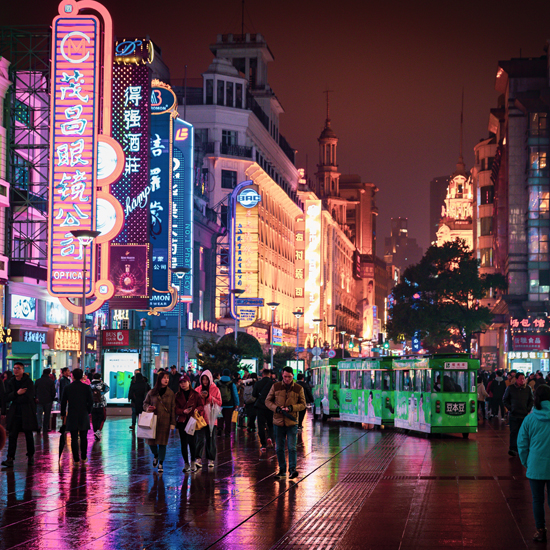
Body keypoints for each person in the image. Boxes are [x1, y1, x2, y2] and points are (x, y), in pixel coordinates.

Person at [518, 384, 550, 543]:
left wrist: (527, 462)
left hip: (535, 465)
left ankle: (541, 530)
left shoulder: (529, 419)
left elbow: (522, 445)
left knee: (537, 500)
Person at [265, 366, 306, 480]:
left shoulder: (298, 388)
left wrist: (291, 408)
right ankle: (282, 470)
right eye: (285, 376)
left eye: (289, 376)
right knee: (279, 448)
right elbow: (267, 401)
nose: (287, 379)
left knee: (292, 447)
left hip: (291, 422)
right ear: (282, 376)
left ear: (293, 376)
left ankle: (292, 470)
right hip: (278, 422)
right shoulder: (276, 386)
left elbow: (303, 404)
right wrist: (276, 408)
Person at [1, 363, 38, 467]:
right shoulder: (11, 381)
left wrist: (15, 398)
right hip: (15, 412)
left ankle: (30, 456)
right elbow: (6, 397)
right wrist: (17, 393)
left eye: (18, 368)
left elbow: (29, 397)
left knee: (28, 435)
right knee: (12, 436)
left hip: (26, 412)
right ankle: (10, 458)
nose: (15, 370)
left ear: (23, 370)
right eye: (14, 368)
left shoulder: (28, 382)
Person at [143, 371, 176, 473]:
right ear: (159, 379)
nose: (166, 380)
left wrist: (173, 423)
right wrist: (148, 408)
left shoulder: (170, 393)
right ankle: (156, 455)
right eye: (164, 378)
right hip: (153, 420)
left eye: (167, 378)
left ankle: (161, 463)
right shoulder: (152, 392)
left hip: (165, 421)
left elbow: (173, 409)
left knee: (163, 443)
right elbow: (145, 403)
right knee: (151, 442)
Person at [60, 368, 94, 465]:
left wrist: (63, 414)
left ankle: (76, 460)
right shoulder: (86, 387)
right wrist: (88, 411)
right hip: (83, 414)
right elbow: (90, 402)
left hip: (72, 413)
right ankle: (83, 457)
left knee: (73, 438)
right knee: (84, 437)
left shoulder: (68, 388)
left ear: (72, 376)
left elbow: (63, 402)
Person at [175, 374, 204, 473]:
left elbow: (201, 406)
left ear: (189, 382)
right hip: (182, 421)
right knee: (183, 443)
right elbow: (175, 409)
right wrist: (182, 411)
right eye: (181, 382)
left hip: (192, 421)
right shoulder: (177, 395)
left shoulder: (195, 394)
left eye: (185, 382)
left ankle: (192, 462)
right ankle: (186, 463)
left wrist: (196, 409)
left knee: (192, 442)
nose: (183, 384)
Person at [195, 370, 222, 468]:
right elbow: (194, 402)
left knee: (211, 439)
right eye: (203, 379)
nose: (205, 381)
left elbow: (219, 403)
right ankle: (198, 458)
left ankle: (211, 459)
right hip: (200, 419)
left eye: (206, 379)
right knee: (200, 439)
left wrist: (209, 397)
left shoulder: (216, 389)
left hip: (211, 418)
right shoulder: (198, 389)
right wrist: (200, 397)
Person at [503, 372, 534, 457]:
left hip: (524, 415)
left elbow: (531, 400)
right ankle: (513, 448)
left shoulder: (528, 389)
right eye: (520, 378)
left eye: (523, 378)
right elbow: (505, 399)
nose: (522, 380)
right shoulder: (511, 388)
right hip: (513, 414)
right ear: (516, 379)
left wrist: (528, 409)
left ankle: (522, 448)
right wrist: (511, 408)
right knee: (514, 432)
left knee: (524, 433)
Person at [253, 368, 275, 452]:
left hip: (261, 407)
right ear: (270, 375)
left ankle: (263, 444)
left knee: (261, 426)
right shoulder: (273, 384)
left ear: (262, 374)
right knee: (271, 424)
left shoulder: (258, 383)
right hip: (270, 407)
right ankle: (269, 437)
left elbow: (254, 394)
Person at [217, 369, 239, 435]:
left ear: (222, 374)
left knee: (220, 418)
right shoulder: (231, 384)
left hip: (219, 405)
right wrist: (236, 404)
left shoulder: (217, 383)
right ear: (229, 375)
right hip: (229, 405)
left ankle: (220, 429)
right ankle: (227, 432)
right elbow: (235, 395)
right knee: (228, 419)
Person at [35, 368, 56, 433]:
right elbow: (53, 392)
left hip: (39, 400)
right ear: (49, 374)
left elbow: (35, 390)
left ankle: (39, 426)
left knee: (39, 414)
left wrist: (36, 397)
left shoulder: (38, 381)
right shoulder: (51, 381)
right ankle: (45, 428)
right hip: (48, 400)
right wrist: (52, 399)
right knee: (47, 415)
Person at [90, 373, 109, 440]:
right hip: (101, 404)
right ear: (100, 378)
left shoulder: (90, 385)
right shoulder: (102, 385)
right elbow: (107, 389)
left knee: (94, 419)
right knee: (102, 418)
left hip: (93, 405)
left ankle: (95, 431)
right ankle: (98, 431)